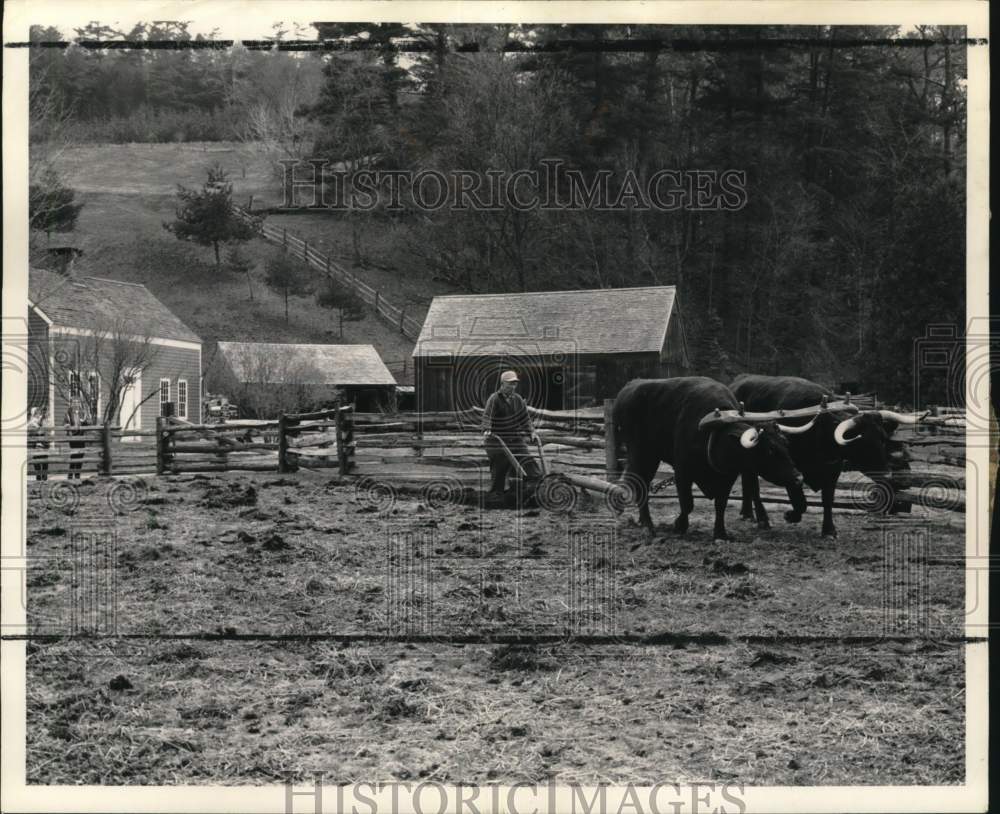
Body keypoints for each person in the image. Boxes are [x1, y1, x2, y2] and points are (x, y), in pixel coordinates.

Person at [482, 370, 543, 498]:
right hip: (496, 439)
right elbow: (487, 416)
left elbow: (525, 419)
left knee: (527, 459)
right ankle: (496, 494)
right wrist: (487, 429)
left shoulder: (518, 399)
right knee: (500, 464)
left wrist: (531, 432)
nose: (513, 386)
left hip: (514, 437)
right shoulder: (494, 399)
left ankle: (537, 485)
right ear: (502, 384)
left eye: (515, 384)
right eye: (510, 384)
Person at [64, 398, 88, 480]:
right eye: (74, 402)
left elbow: (88, 423)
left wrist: (84, 422)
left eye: (77, 402)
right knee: (74, 455)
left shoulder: (83, 412)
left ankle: (77, 474)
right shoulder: (68, 412)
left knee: (81, 455)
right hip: (73, 436)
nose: (76, 404)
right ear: (71, 404)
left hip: (81, 436)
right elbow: (65, 422)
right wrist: (67, 425)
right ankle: (70, 474)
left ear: (79, 404)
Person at [27, 407, 50, 481]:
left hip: (43, 445)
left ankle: (44, 476)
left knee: (45, 461)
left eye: (38, 412)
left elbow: (45, 429)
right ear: (33, 414)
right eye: (36, 413)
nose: (38, 414)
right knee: (37, 461)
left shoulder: (43, 420)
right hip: (36, 445)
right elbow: (34, 430)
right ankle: (38, 477)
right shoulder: (31, 422)